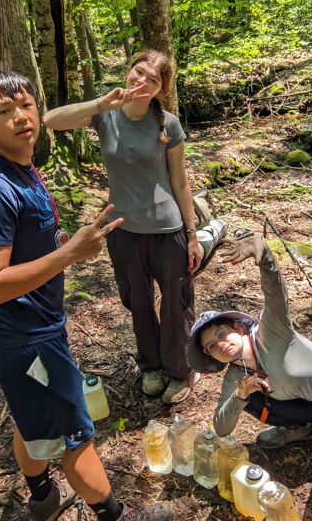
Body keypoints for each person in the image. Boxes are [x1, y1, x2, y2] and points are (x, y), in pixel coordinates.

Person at [0, 71, 172, 521]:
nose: (21, 118)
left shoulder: (20, 167)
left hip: (31, 332)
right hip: (27, 338)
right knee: (76, 437)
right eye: (3, 112)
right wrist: (70, 253)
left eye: (26, 106)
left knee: (30, 419)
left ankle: (41, 495)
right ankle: (116, 514)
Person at [44, 50, 201, 404]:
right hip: (124, 231)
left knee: (175, 303)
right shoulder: (106, 117)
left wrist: (192, 236)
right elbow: (51, 120)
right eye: (138, 72)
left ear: (161, 90)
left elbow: (180, 183)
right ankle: (150, 365)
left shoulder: (168, 125)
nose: (142, 82)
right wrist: (102, 102)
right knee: (138, 302)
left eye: (153, 80)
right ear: (128, 71)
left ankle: (180, 370)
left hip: (168, 231)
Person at [186, 235, 312, 507]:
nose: (221, 345)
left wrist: (264, 256)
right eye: (212, 347)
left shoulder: (271, 333)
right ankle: (302, 429)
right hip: (311, 404)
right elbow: (222, 427)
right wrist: (239, 397)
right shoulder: (237, 374)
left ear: (237, 328)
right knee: (249, 398)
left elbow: (275, 293)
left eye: (222, 334)